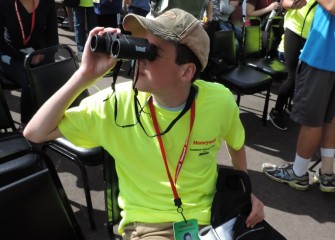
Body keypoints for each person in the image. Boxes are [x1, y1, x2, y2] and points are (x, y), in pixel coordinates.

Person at [24, 8, 264, 239]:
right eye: (141, 45)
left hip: (212, 215)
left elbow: (236, 143)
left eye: (152, 51)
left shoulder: (219, 101)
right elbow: (35, 132)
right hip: (150, 224)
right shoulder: (116, 104)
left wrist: (243, 192)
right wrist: (84, 75)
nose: (140, 57)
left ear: (186, 72)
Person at [262, 1, 335, 192]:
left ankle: (298, 173)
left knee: (312, 120)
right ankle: (327, 173)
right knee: (330, 119)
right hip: (326, 56)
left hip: (323, 56)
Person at [0, 0, 59, 126]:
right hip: (11, 54)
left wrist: (45, 55)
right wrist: (25, 58)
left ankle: (50, 120)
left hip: (39, 53)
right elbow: (1, 44)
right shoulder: (4, 4)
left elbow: (53, 38)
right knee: (30, 82)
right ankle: (26, 125)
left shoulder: (47, 3)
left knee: (53, 79)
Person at [268, 0, 317, 131]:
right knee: (293, 76)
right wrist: (291, 4)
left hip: (312, 37)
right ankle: (276, 111)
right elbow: (284, 3)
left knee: (303, 76)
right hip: (293, 31)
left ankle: (290, 106)